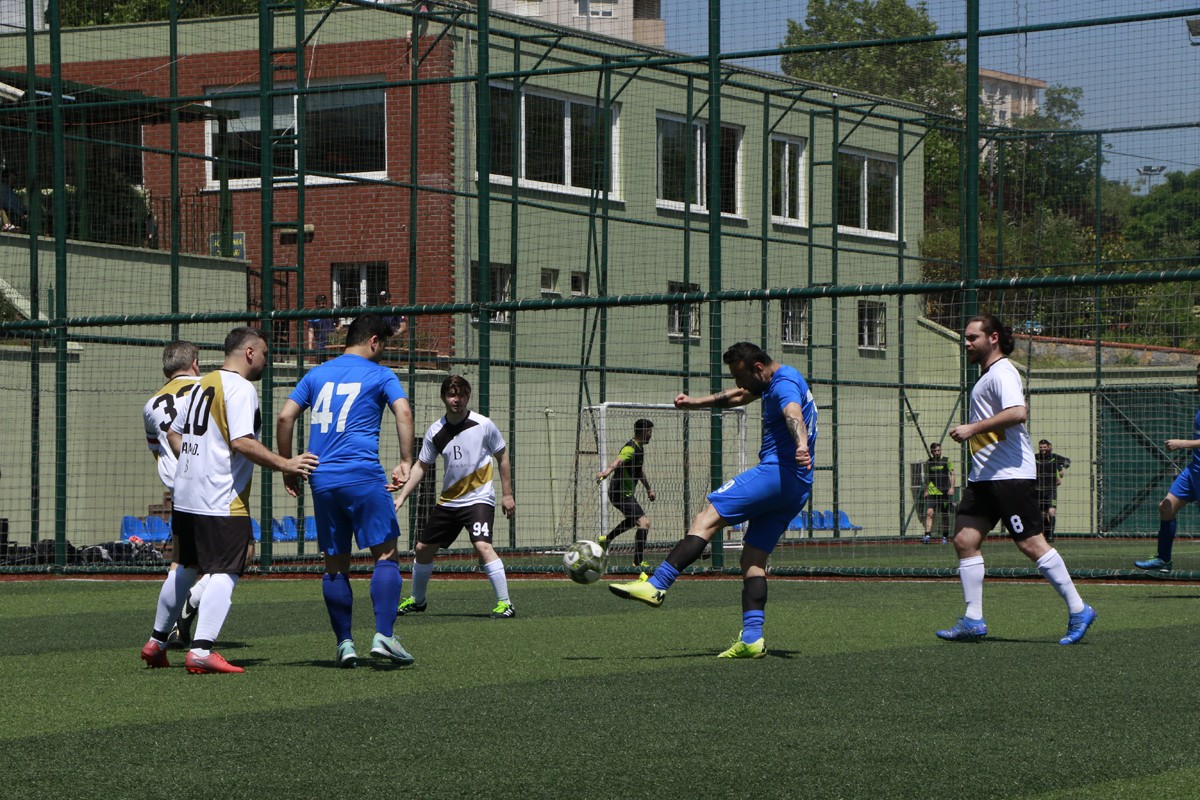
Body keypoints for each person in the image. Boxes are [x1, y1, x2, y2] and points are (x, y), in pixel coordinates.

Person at [608, 342, 817, 659]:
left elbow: (793, 413)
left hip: (777, 473)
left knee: (706, 519)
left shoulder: (784, 384)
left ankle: (657, 584)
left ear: (758, 367)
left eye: (740, 376)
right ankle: (752, 638)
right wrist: (694, 403)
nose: (739, 383)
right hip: (797, 486)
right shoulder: (775, 380)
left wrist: (800, 443)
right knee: (753, 561)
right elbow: (738, 397)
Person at [140, 326, 318, 674]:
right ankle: (201, 650)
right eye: (264, 353)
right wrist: (285, 463)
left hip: (187, 495)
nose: (266, 360)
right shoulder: (240, 388)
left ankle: (156, 642)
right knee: (226, 570)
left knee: (185, 567)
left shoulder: (201, 383)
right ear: (249, 352)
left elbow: (173, 433)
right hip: (219, 499)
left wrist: (195, 463)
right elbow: (241, 442)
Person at [938, 313, 1096, 645]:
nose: (966, 343)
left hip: (1009, 476)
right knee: (965, 540)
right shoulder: (987, 376)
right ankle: (973, 620)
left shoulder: (1003, 372)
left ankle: (1079, 609)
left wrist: (972, 428)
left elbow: (1018, 412)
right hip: (984, 476)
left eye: (972, 337)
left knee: (1031, 544)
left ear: (993, 338)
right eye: (965, 338)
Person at [276, 314, 416, 667]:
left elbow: (285, 417)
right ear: (373, 341)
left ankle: (345, 644)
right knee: (386, 554)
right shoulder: (381, 374)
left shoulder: (316, 374)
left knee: (335, 563)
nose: (383, 353)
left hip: (321, 478)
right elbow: (403, 411)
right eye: (383, 345)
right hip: (362, 474)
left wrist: (288, 465)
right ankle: (384, 635)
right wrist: (406, 460)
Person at [392, 375, 517, 619]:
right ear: (443, 398)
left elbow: (502, 457)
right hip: (449, 501)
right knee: (422, 549)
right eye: (451, 395)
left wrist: (508, 495)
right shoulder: (435, 431)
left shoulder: (483, 424)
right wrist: (402, 497)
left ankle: (505, 603)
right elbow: (421, 467)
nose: (456, 400)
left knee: (482, 545)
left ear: (468, 396)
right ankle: (418, 599)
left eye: (461, 394)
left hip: (479, 498)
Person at [140, 341, 203, 655]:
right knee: (237, 557)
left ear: (166, 370)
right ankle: (190, 606)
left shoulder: (151, 404)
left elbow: (157, 451)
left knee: (181, 560)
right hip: (212, 486)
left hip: (180, 491)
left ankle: (166, 629)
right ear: (195, 363)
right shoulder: (208, 388)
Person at [1135, 361, 1200, 574]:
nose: (1199, 379)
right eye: (1198, 375)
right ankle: (1163, 560)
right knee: (1166, 506)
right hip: (1193, 471)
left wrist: (1183, 444)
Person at [596, 418, 655, 568]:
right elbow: (618, 461)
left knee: (632, 520)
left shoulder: (639, 448)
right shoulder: (630, 448)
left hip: (625, 493)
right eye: (649, 432)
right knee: (644, 523)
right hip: (620, 493)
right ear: (643, 431)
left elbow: (639, 471)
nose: (650, 435)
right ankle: (638, 562)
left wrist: (648, 489)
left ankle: (606, 540)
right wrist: (606, 472)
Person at [1035, 439, 1070, 543]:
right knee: (1041, 514)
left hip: (1051, 490)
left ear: (1049, 447)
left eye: (1044, 447)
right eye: (1041, 447)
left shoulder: (1054, 457)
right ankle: (1044, 534)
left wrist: (1062, 469)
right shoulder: (1035, 458)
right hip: (1038, 490)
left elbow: (1067, 461)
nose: (1043, 449)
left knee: (1051, 512)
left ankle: (1051, 536)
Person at [922, 442, 955, 544]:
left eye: (938, 450)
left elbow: (952, 474)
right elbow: (927, 477)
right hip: (932, 492)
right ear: (931, 452)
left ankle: (945, 537)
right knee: (929, 513)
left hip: (944, 492)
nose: (937, 452)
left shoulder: (946, 460)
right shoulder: (929, 463)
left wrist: (952, 487)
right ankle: (927, 536)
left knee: (944, 514)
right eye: (935, 451)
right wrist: (926, 490)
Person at [307, 294, 339, 360]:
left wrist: (336, 331)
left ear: (326, 303)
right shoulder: (313, 315)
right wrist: (310, 345)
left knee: (333, 361)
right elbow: (311, 331)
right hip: (320, 344)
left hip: (332, 343)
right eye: (319, 304)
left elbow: (339, 324)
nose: (321, 305)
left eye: (323, 303)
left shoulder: (331, 313)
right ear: (316, 304)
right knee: (321, 362)